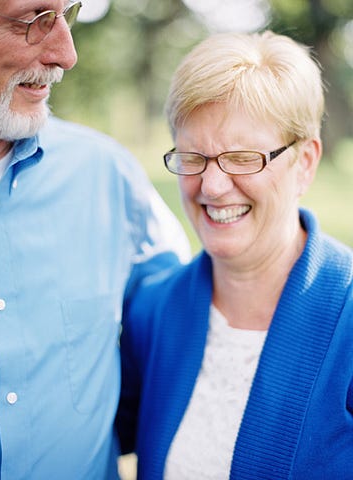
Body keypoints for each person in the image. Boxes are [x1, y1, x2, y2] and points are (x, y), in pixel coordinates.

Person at [115, 31, 353, 479]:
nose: (212, 186)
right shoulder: (153, 310)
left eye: (242, 158)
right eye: (194, 157)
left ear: (305, 162)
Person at [0, 1, 191, 478]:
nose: (66, 53)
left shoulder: (109, 173)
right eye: (36, 19)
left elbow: (175, 329)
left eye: (67, 13)